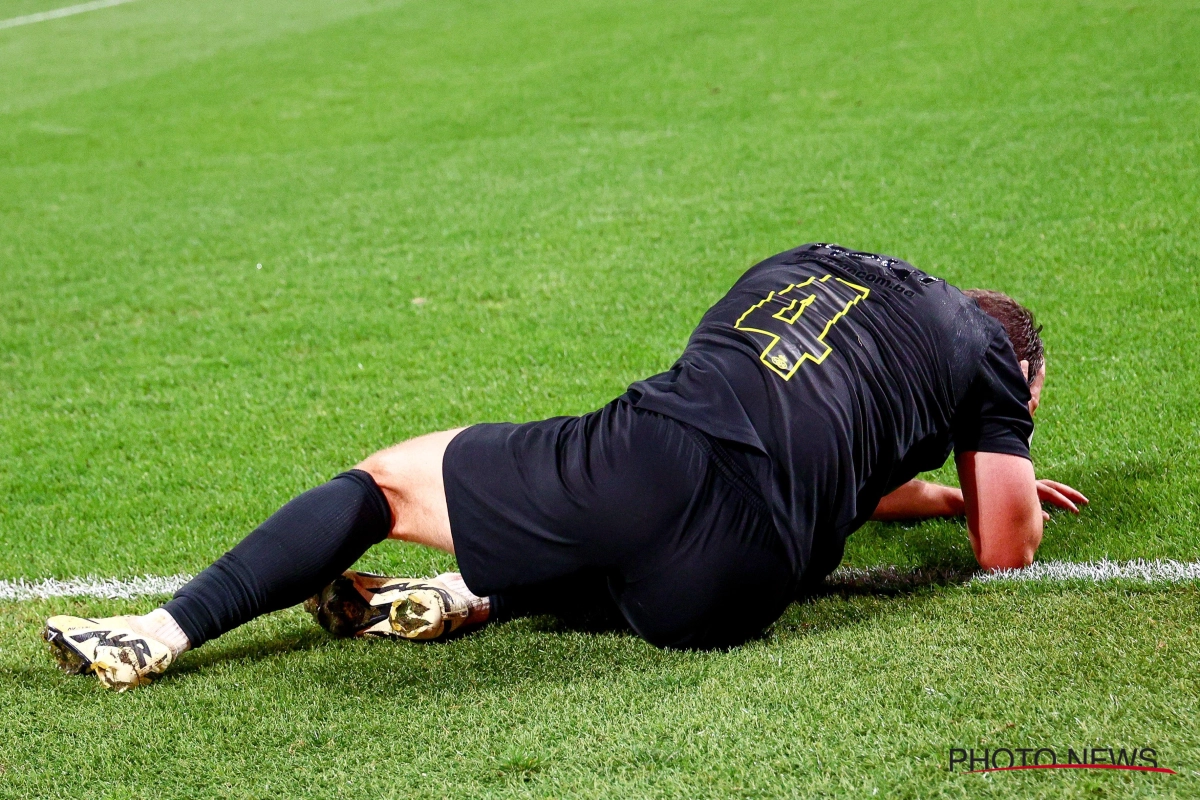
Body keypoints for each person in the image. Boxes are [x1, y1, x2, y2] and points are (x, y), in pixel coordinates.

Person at [44, 243, 1087, 691]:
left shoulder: (807, 264)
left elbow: (793, 413)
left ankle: (156, 631)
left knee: (387, 479)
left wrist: (959, 491)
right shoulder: (988, 354)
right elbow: (1007, 548)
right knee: (656, 541)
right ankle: (471, 596)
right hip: (736, 591)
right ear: (1021, 371)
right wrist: (988, 478)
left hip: (654, 464)